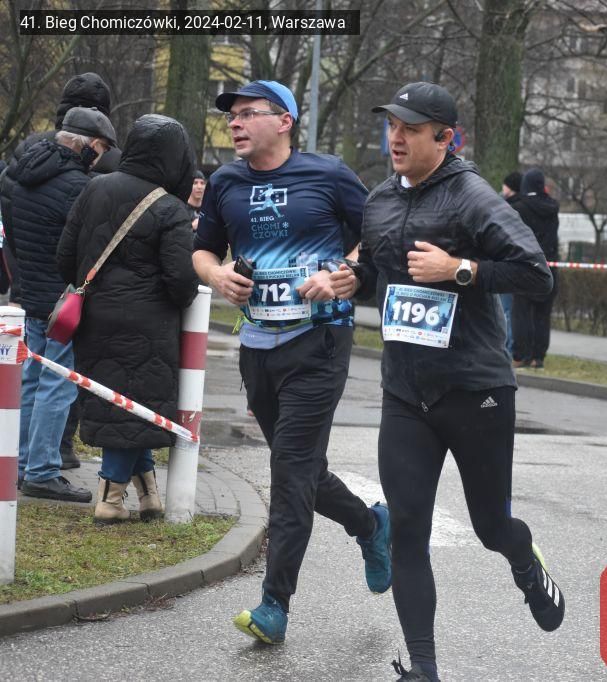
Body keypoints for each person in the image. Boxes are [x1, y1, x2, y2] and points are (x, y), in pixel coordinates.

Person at [350, 82, 563, 681]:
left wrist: (459, 268)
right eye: (392, 125)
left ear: (444, 138)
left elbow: (536, 275)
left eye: (410, 129)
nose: (395, 138)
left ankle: (523, 559)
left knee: (491, 527)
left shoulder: (472, 197)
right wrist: (348, 278)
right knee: (407, 530)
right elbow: (375, 270)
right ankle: (424, 668)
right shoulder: (378, 200)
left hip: (475, 390)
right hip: (405, 392)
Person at [192, 80, 390, 644]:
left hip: (318, 342)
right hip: (258, 345)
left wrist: (343, 272)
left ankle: (273, 605)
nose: (234, 123)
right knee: (299, 468)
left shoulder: (328, 175)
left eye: (247, 113)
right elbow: (202, 250)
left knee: (289, 471)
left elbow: (378, 234)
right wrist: (216, 275)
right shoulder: (225, 183)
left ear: (284, 121)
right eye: (231, 115)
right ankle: (370, 524)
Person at [56, 113, 196, 523]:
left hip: (95, 319)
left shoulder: (94, 188)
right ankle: (110, 499)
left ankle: (148, 493)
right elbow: (181, 282)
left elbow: (65, 259)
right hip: (149, 325)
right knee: (135, 407)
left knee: (121, 406)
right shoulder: (170, 207)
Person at [2, 72, 121, 472]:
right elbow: (89, 247)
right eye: (99, 149)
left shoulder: (24, 172)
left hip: (31, 290)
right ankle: (43, 468)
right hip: (63, 300)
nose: (99, 158)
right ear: (85, 143)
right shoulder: (77, 186)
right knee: (58, 383)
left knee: (32, 377)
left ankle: (21, 462)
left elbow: (12, 232)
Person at [510, 168, 559, 369]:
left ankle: (522, 355)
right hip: (549, 266)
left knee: (521, 313)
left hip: (525, 265)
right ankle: (538, 357)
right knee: (542, 315)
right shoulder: (553, 208)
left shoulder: (519, 208)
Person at [500, 170, 522, 356]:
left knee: (505, 309)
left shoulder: (508, 208)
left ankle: (506, 347)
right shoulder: (521, 206)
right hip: (517, 264)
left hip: (506, 263)